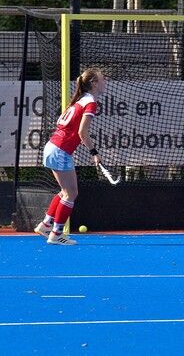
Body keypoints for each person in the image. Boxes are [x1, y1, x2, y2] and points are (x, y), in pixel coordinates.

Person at [34, 69, 107, 245]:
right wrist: (94, 152)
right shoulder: (90, 103)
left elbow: (73, 130)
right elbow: (83, 132)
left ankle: (45, 225)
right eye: (102, 80)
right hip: (59, 150)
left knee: (65, 192)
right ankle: (56, 234)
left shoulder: (80, 101)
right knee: (71, 193)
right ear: (94, 83)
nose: (105, 82)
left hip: (53, 148)